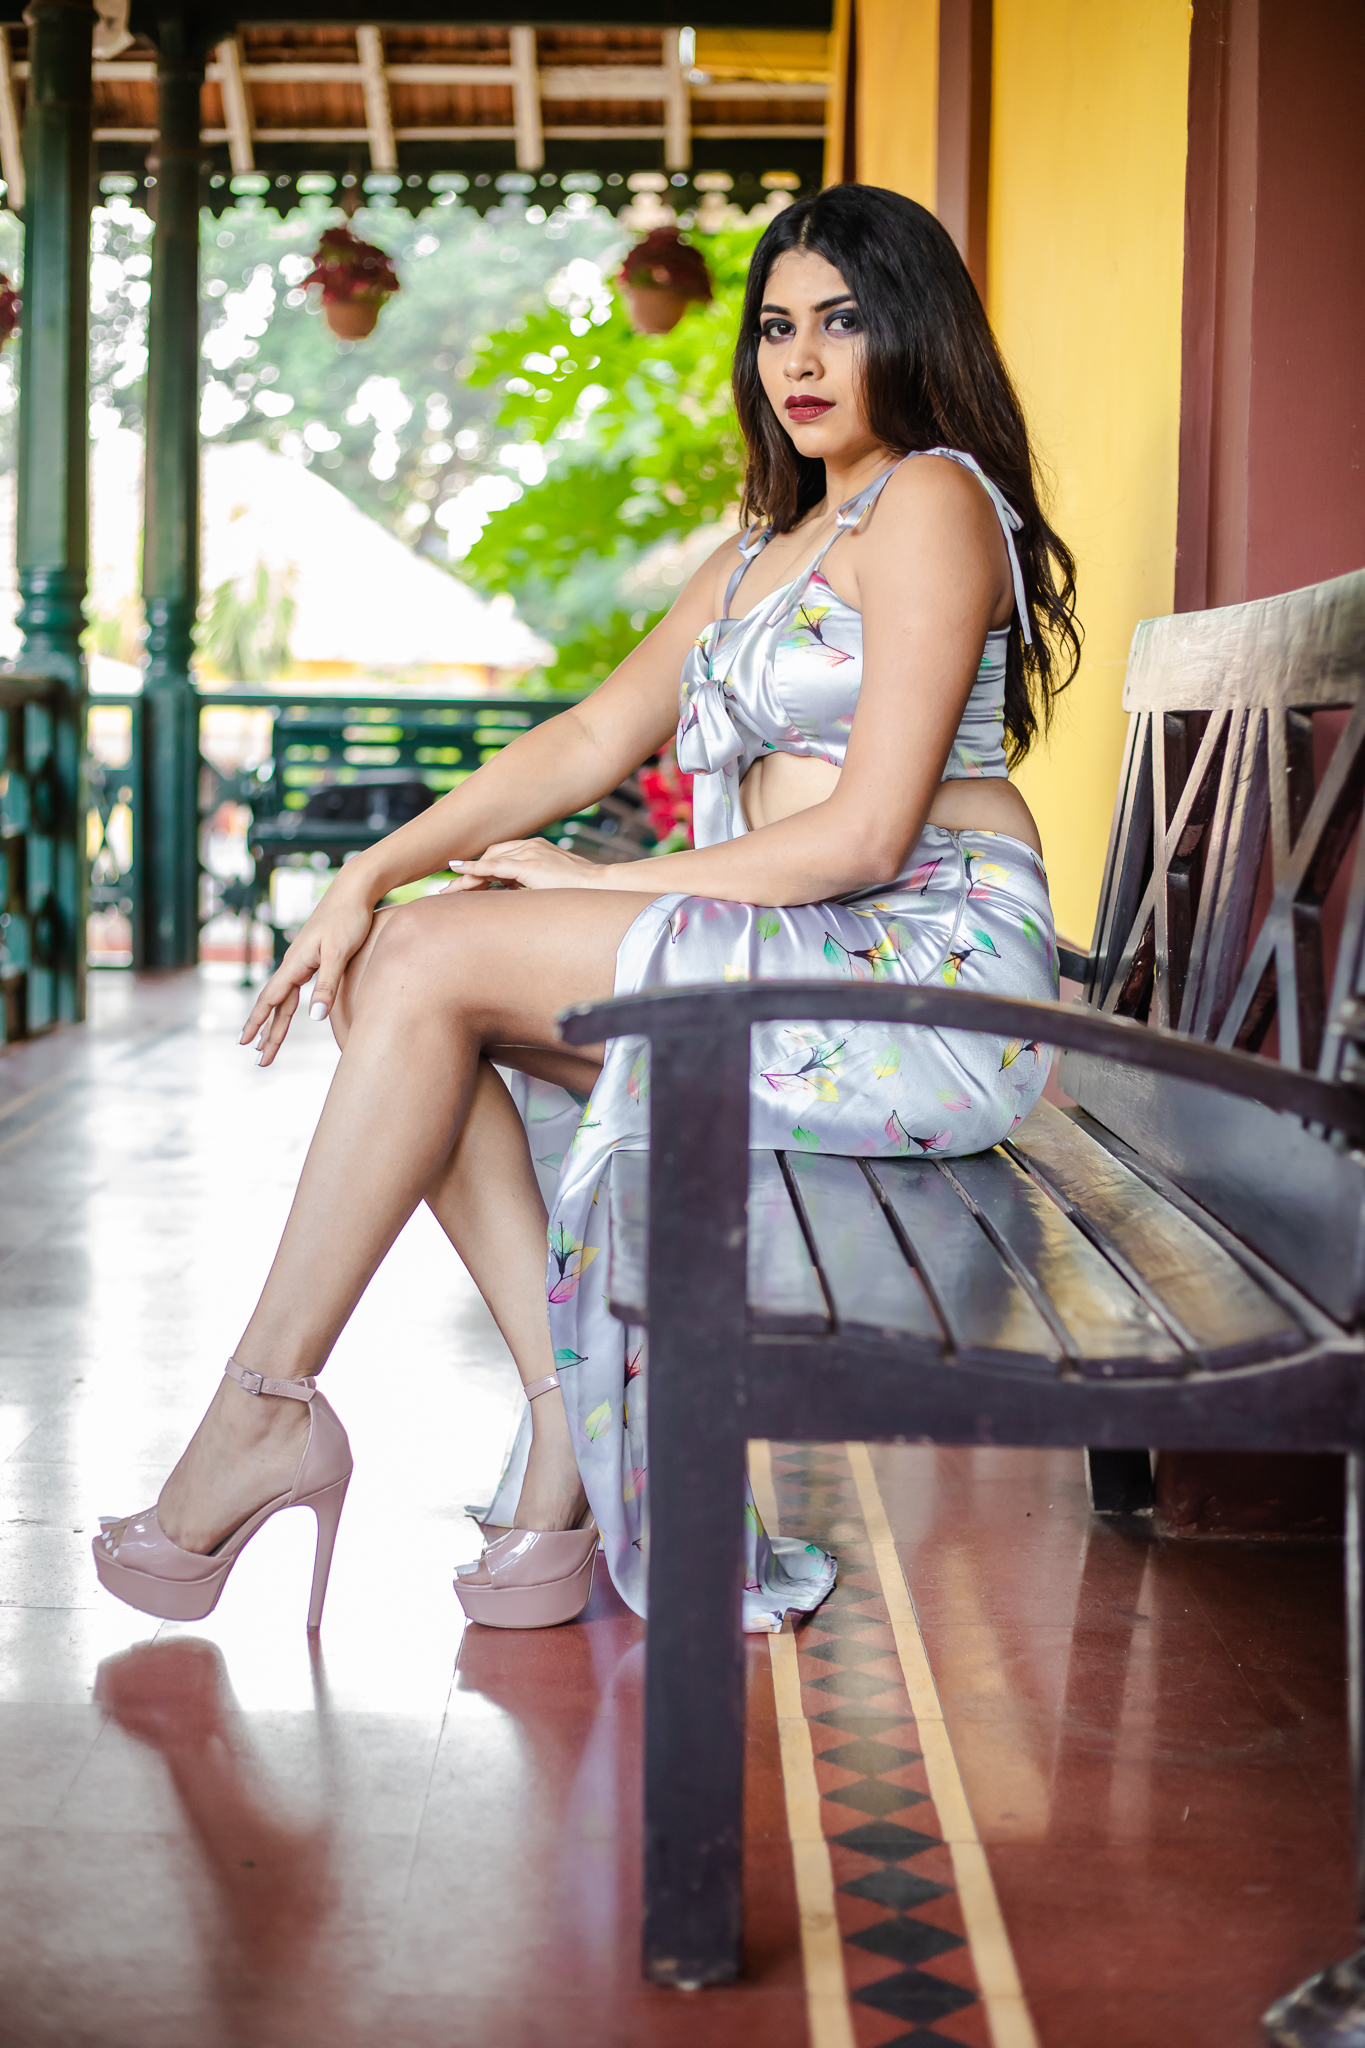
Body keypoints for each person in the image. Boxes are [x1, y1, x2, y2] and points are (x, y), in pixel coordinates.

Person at [94, 182, 1079, 1636]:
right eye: (776, 328)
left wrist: (603, 881)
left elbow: (866, 835)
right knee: (396, 972)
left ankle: (268, 1411)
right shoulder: (762, 551)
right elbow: (585, 737)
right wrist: (364, 874)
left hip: (915, 977)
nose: (802, 359)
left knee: (425, 970)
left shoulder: (928, 500)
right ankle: (557, 1414)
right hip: (790, 954)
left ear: (915, 332)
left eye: (844, 322)